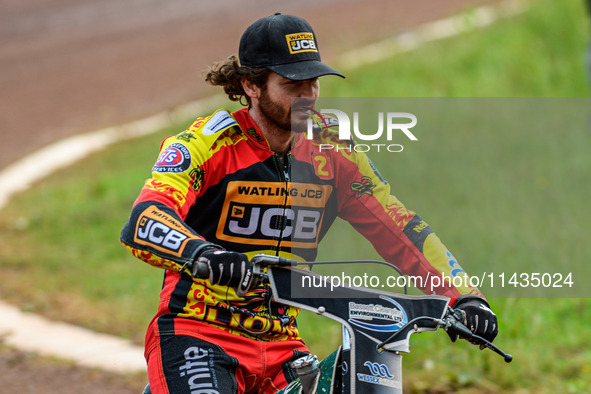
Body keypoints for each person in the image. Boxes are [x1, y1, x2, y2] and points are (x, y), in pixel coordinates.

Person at [120, 13, 498, 394]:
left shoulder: (333, 153)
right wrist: (204, 254)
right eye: (292, 85)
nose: (307, 97)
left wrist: (464, 296)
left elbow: (400, 228)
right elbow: (144, 221)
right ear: (251, 84)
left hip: (282, 345)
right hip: (197, 335)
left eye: (313, 83)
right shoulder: (206, 145)